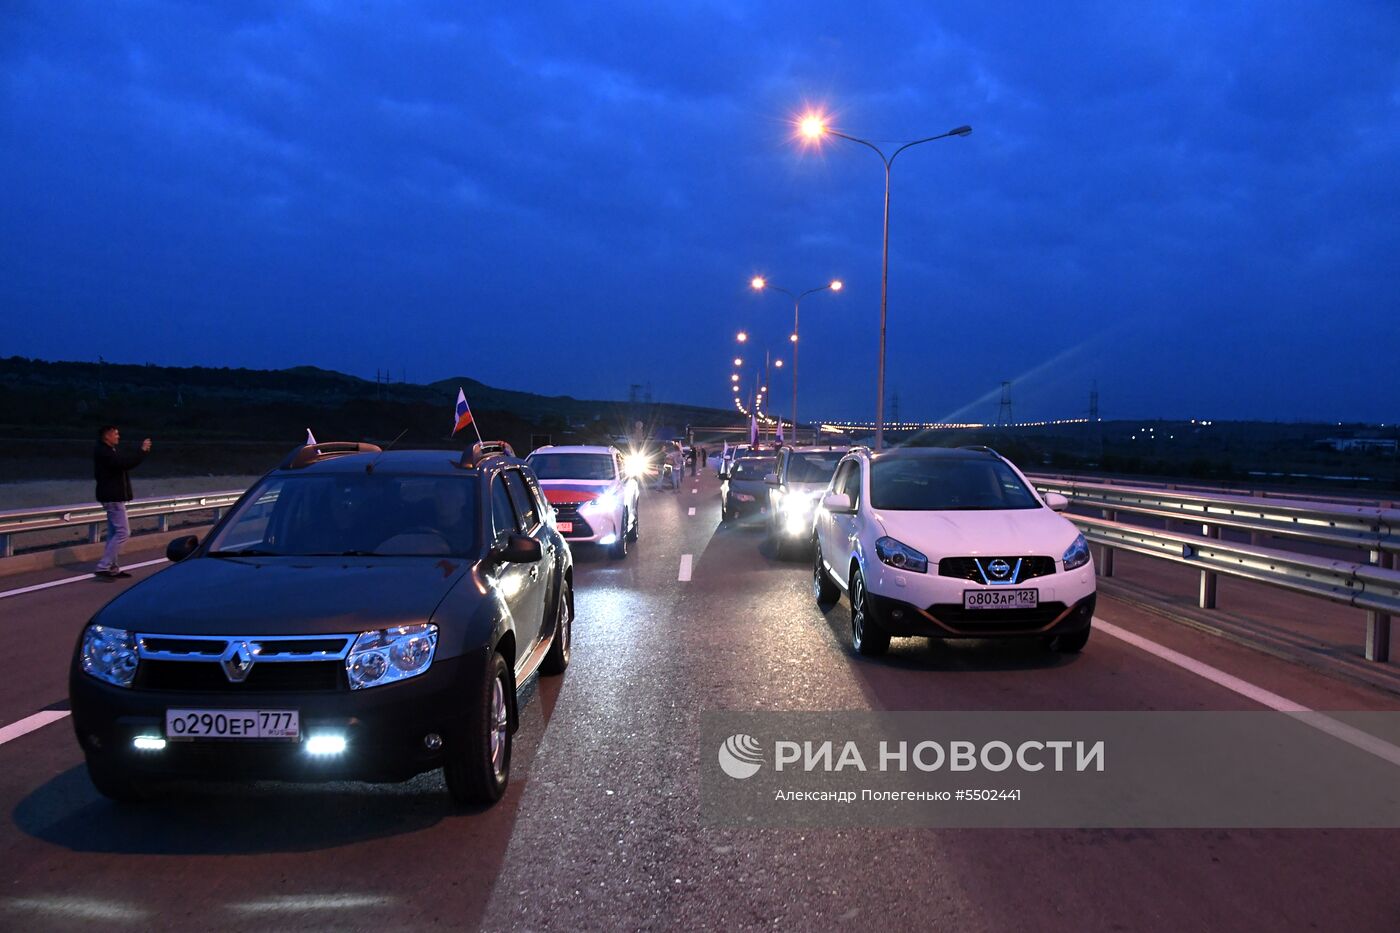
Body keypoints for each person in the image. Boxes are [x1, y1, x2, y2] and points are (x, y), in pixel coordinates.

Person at [93, 425, 151, 579]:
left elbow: (124, 461)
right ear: (107, 436)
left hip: (112, 496)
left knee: (114, 533)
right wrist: (142, 451)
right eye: (116, 434)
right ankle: (103, 566)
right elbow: (125, 463)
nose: (118, 437)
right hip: (112, 497)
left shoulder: (108, 451)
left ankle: (112, 568)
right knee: (123, 533)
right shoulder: (105, 452)